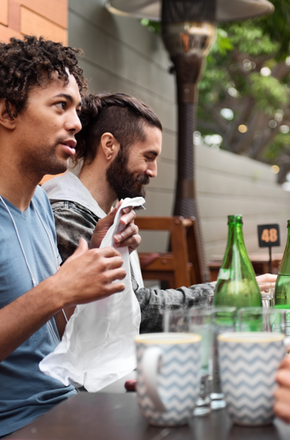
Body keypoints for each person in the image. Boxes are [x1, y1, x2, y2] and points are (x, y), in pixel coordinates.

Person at [0, 37, 140, 438]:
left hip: (63, 401)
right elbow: (48, 299)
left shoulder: (40, 206)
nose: (78, 123)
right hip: (17, 422)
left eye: (76, 108)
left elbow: (54, 332)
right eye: (61, 105)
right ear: (9, 111)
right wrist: (59, 289)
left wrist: (96, 255)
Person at [43, 92, 273, 335]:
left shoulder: (103, 213)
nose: (153, 171)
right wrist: (226, 291)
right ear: (109, 145)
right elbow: (132, 311)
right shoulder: (68, 214)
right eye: (148, 157)